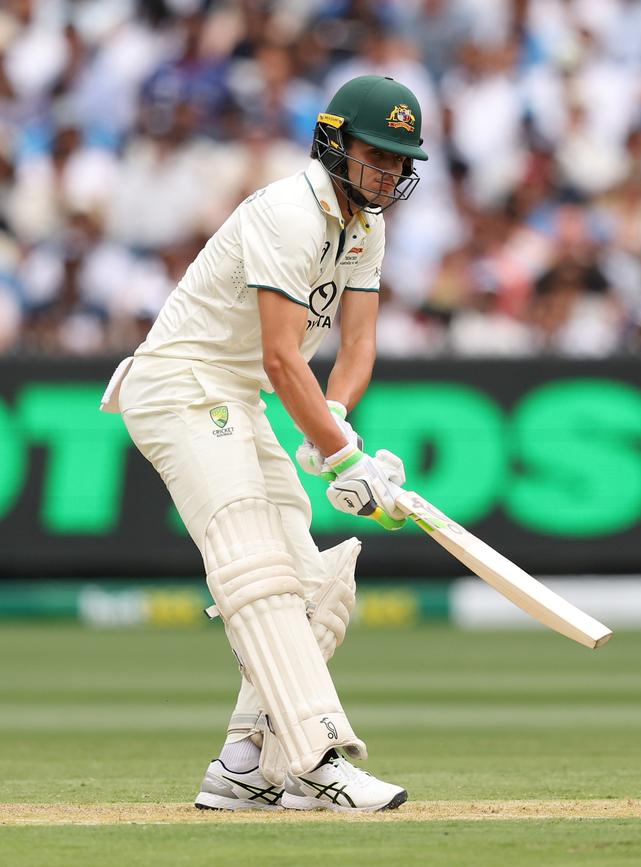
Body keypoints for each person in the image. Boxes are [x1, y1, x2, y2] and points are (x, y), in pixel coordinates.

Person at [100, 75, 428, 812]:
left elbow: (359, 341)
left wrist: (335, 422)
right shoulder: (289, 211)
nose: (387, 175)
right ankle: (318, 758)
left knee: (317, 584)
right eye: (376, 156)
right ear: (335, 143)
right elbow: (285, 358)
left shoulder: (365, 227)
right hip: (182, 384)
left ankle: (246, 761)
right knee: (255, 565)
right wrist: (343, 459)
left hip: (235, 394)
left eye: (400, 163)